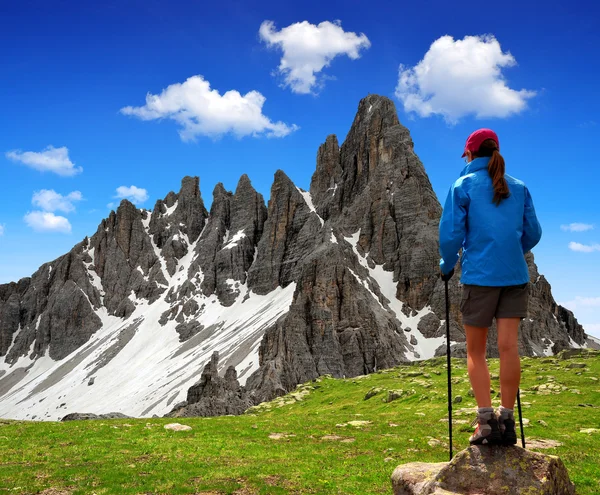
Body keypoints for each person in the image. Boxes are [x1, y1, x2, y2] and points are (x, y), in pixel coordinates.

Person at [438, 128, 542, 446]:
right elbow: (533, 233)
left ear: (470, 155)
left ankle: (485, 424)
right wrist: (511, 249)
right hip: (515, 277)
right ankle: (507, 421)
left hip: (480, 278)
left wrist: (447, 264)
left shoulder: (463, 185)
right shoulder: (520, 188)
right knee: (509, 348)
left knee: (476, 351)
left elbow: (451, 234)